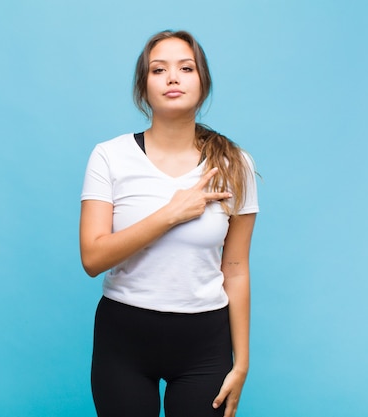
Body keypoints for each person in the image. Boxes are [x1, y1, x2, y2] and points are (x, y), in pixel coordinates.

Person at [79, 30, 259, 417]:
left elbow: (237, 268)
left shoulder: (234, 164)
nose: (173, 77)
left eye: (186, 68)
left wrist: (241, 363)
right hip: (123, 339)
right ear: (144, 88)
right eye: (159, 69)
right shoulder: (109, 157)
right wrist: (170, 214)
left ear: (203, 81)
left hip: (205, 343)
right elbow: (93, 258)